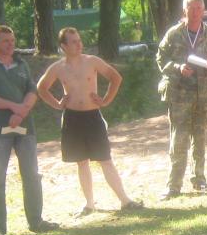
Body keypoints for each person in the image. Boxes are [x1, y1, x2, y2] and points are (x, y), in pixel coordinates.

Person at [36, 27, 142, 215]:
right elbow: (41, 88)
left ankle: (125, 200)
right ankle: (89, 204)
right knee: (81, 162)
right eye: (74, 42)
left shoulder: (92, 61)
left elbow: (115, 78)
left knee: (105, 159)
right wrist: (57, 104)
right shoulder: (58, 67)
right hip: (72, 118)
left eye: (79, 40)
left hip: (93, 116)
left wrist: (106, 100)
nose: (79, 44)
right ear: (63, 46)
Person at [0, 25, 57, 235]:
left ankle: (36, 221)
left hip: (25, 127)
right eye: (5, 41)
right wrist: (13, 107)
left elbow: (32, 91)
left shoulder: (21, 64)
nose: (11, 44)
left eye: (12, 40)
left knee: (32, 175)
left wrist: (21, 112)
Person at [156, 0, 207, 196]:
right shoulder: (174, 34)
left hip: (204, 94)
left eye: (199, 8)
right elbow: (161, 58)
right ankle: (173, 186)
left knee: (199, 138)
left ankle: (199, 180)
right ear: (184, 10)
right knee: (179, 139)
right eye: (191, 8)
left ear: (203, 10)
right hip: (179, 94)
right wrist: (177, 67)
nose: (195, 12)